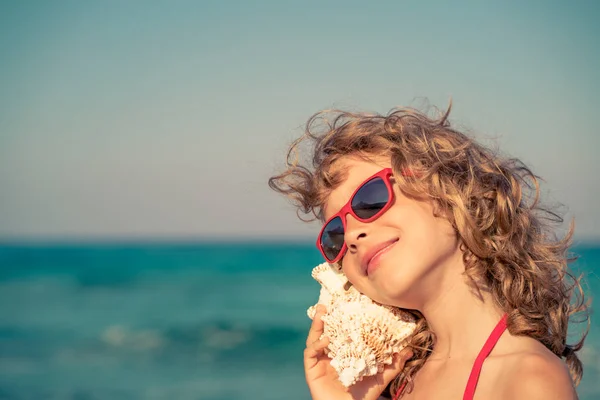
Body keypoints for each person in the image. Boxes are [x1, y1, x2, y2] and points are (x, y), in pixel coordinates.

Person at [268, 103, 589, 399]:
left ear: (448, 187)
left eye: (370, 199)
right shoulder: (398, 384)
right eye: (334, 235)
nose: (352, 235)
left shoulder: (526, 380)